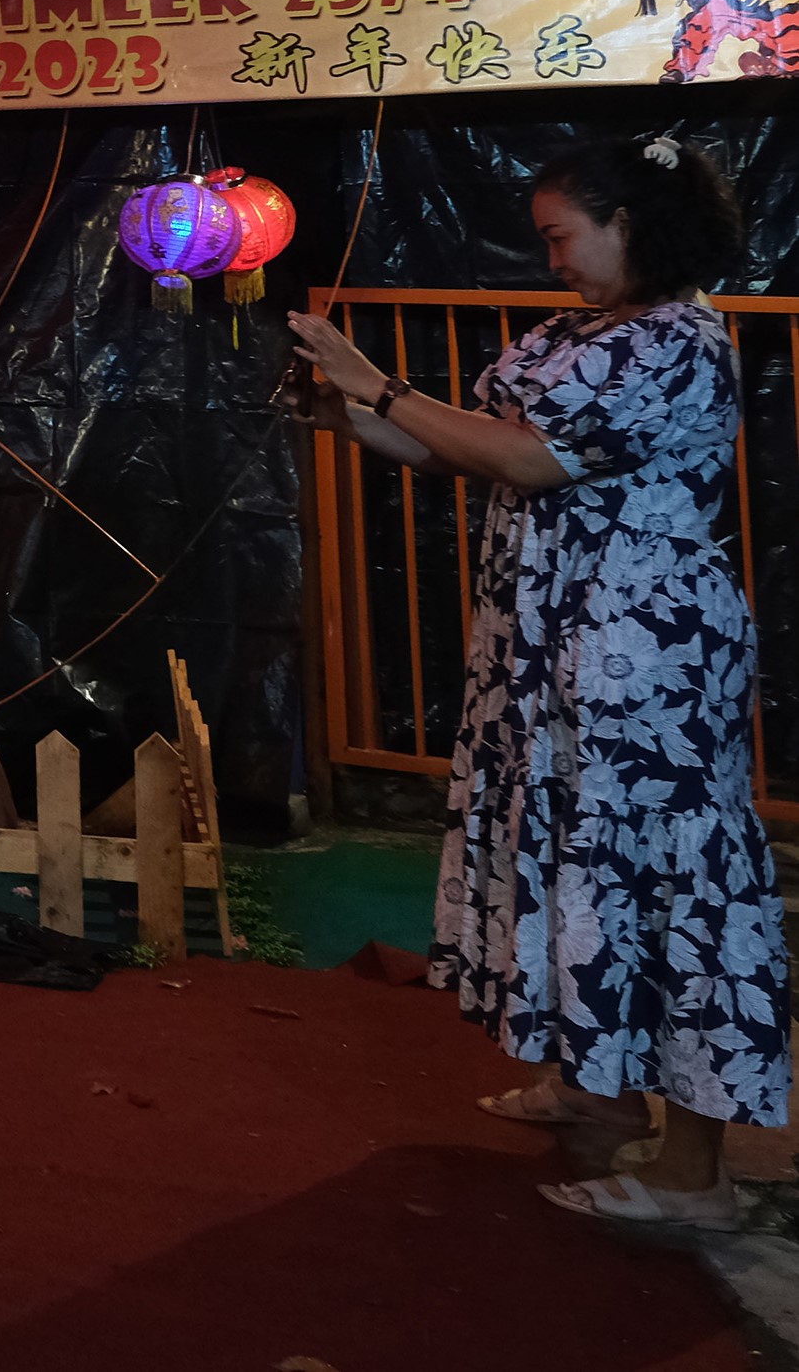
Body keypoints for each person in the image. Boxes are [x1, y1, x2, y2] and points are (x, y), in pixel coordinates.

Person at [285, 131, 786, 1228]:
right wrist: (354, 415)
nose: (550, 258)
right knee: (566, 853)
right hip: (545, 632)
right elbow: (462, 447)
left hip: (639, 646)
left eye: (562, 237)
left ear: (631, 226)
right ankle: (592, 1091)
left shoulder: (678, 341)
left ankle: (692, 1170)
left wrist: (383, 380)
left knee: (659, 877)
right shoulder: (575, 331)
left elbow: (522, 459)